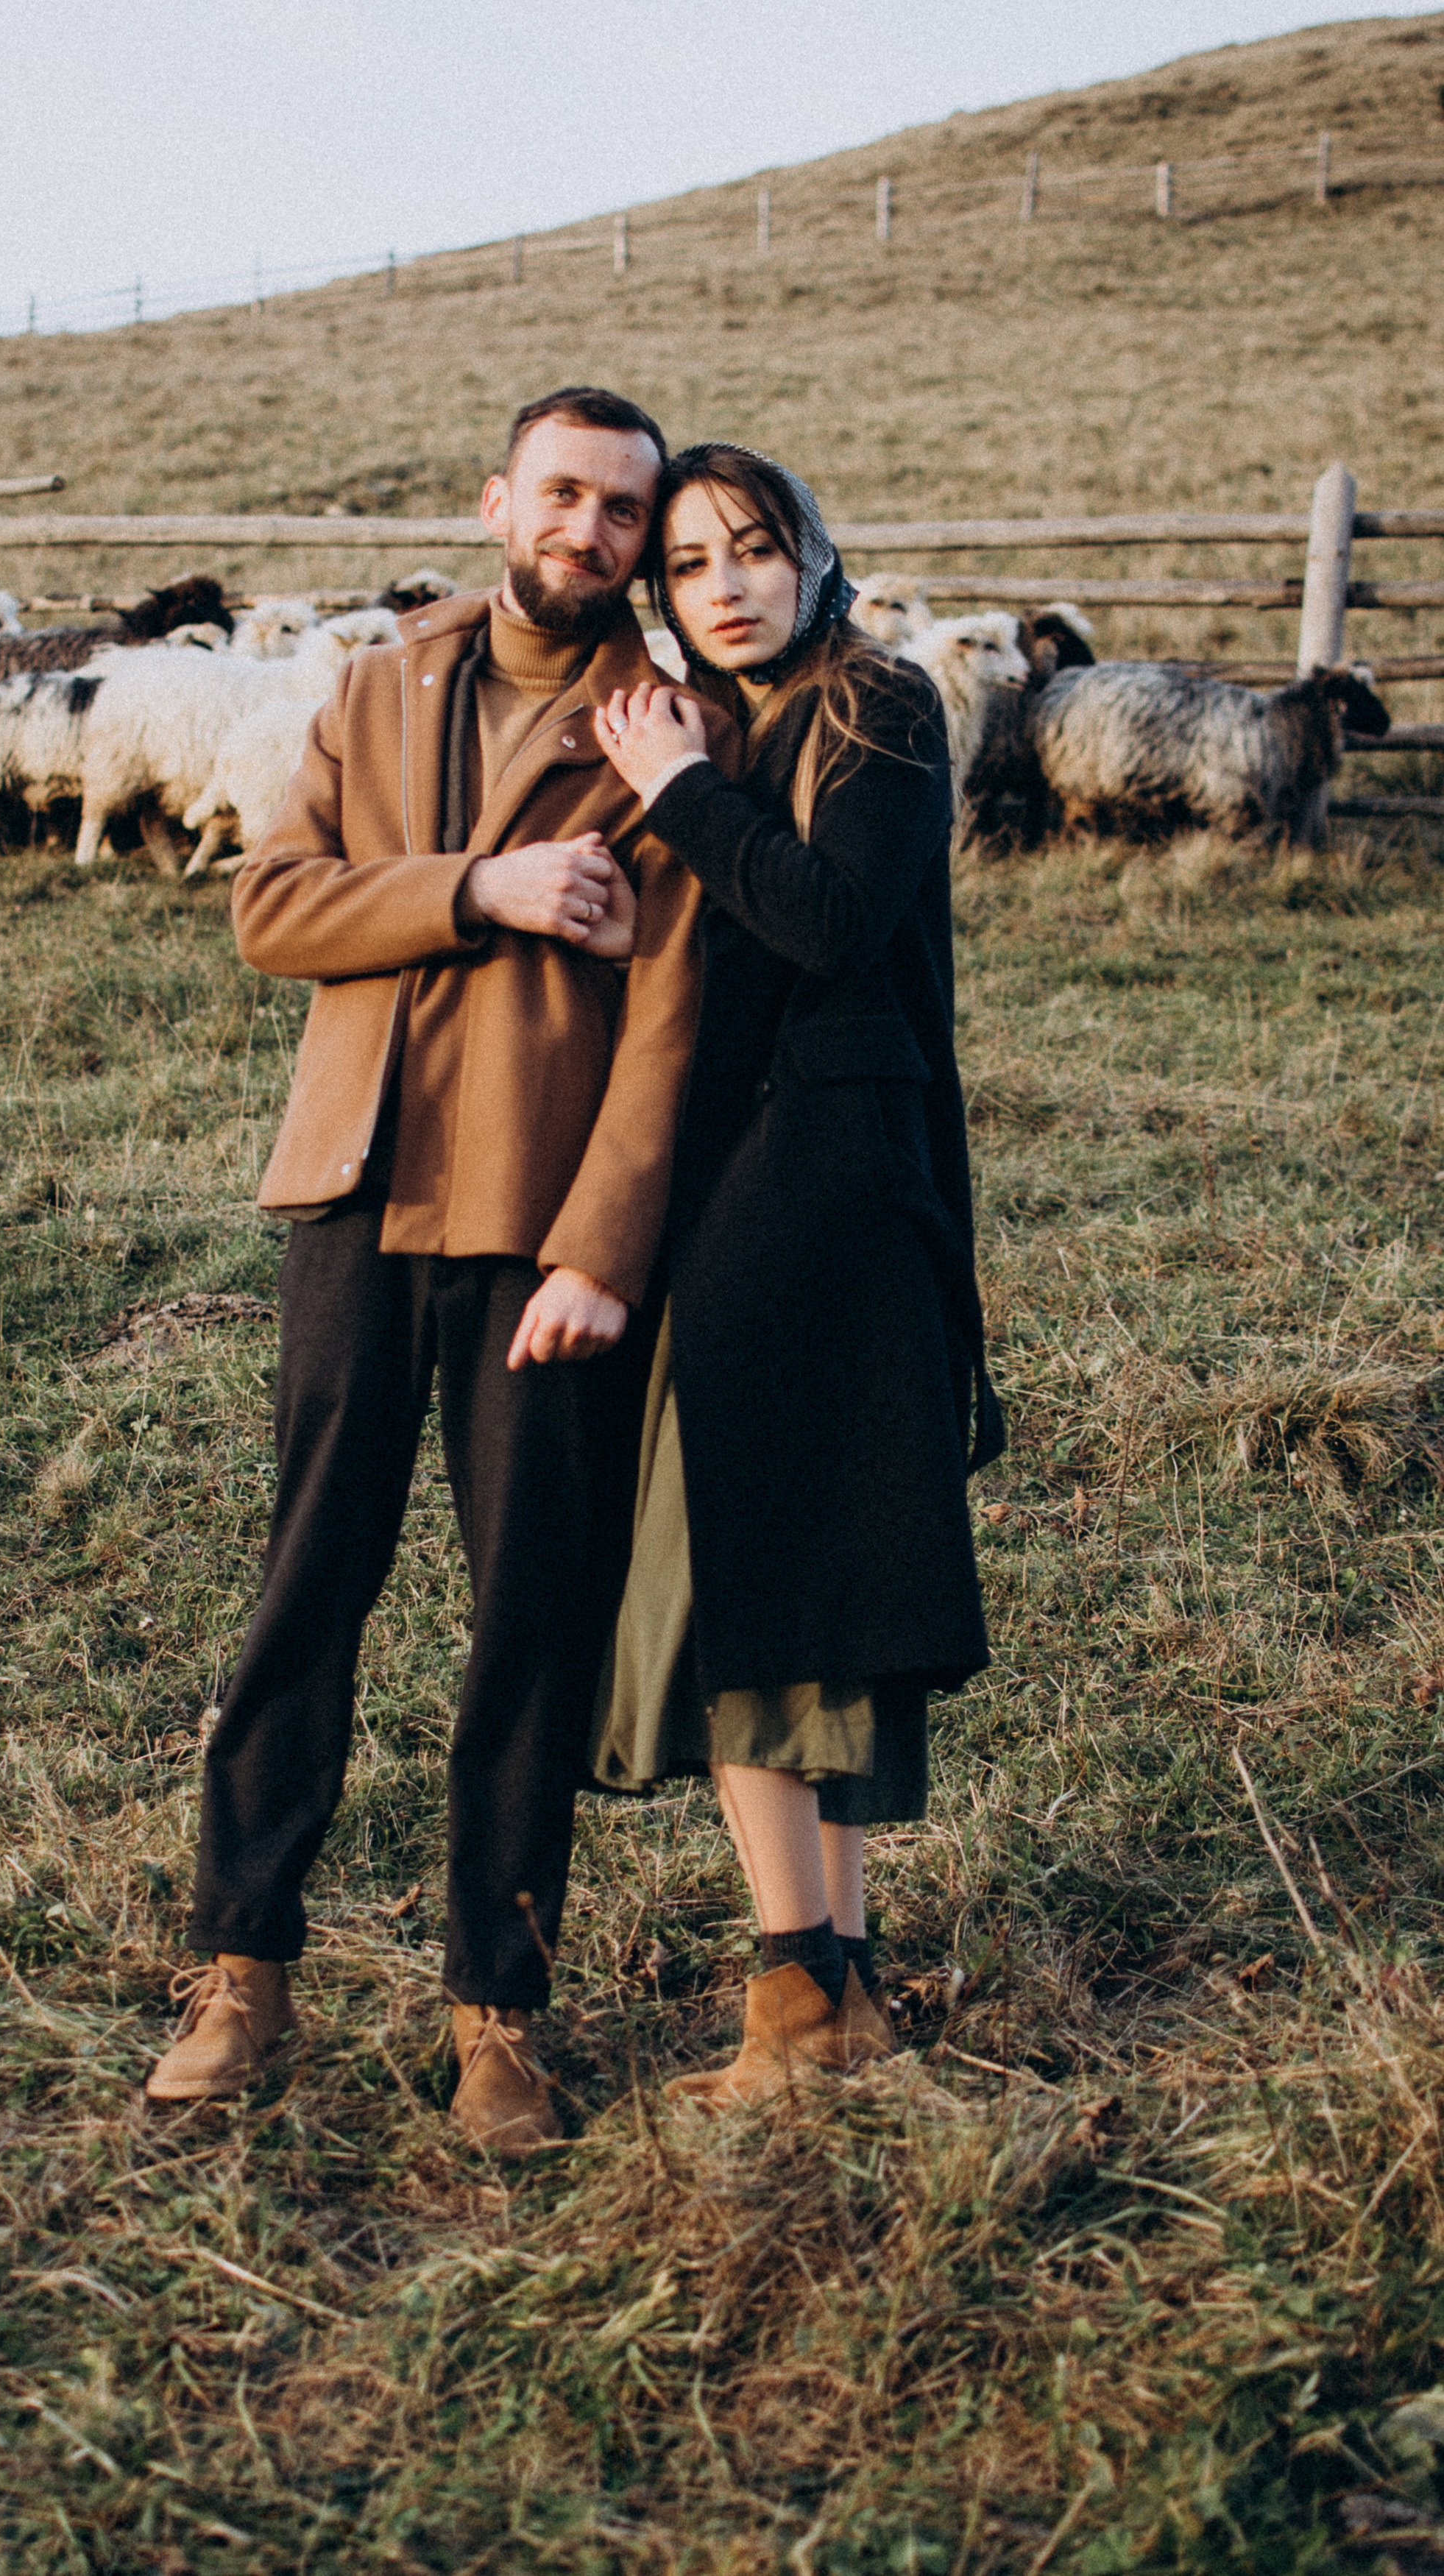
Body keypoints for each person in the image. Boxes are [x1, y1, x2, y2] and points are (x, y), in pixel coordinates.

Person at [146, 388, 737, 2156]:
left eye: (626, 511)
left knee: (528, 1622)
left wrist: (608, 1247)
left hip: (535, 1228)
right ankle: (242, 1970)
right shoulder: (380, 681)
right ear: (500, 502)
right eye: (564, 494)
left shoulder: (664, 724)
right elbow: (277, 909)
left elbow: (675, 1016)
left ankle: (502, 2009)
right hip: (351, 1193)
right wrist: (480, 890)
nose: (592, 531)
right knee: (304, 1589)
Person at [590, 442, 1004, 2113]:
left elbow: (835, 921)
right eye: (691, 564)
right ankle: (828, 1993)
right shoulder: (714, 727)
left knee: (776, 1581)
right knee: (775, 1585)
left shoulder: (880, 706)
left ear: (814, 557)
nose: (729, 583)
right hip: (732, 1194)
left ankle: (803, 1995)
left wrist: (686, 796)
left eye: (756, 548)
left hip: (828, 1188)